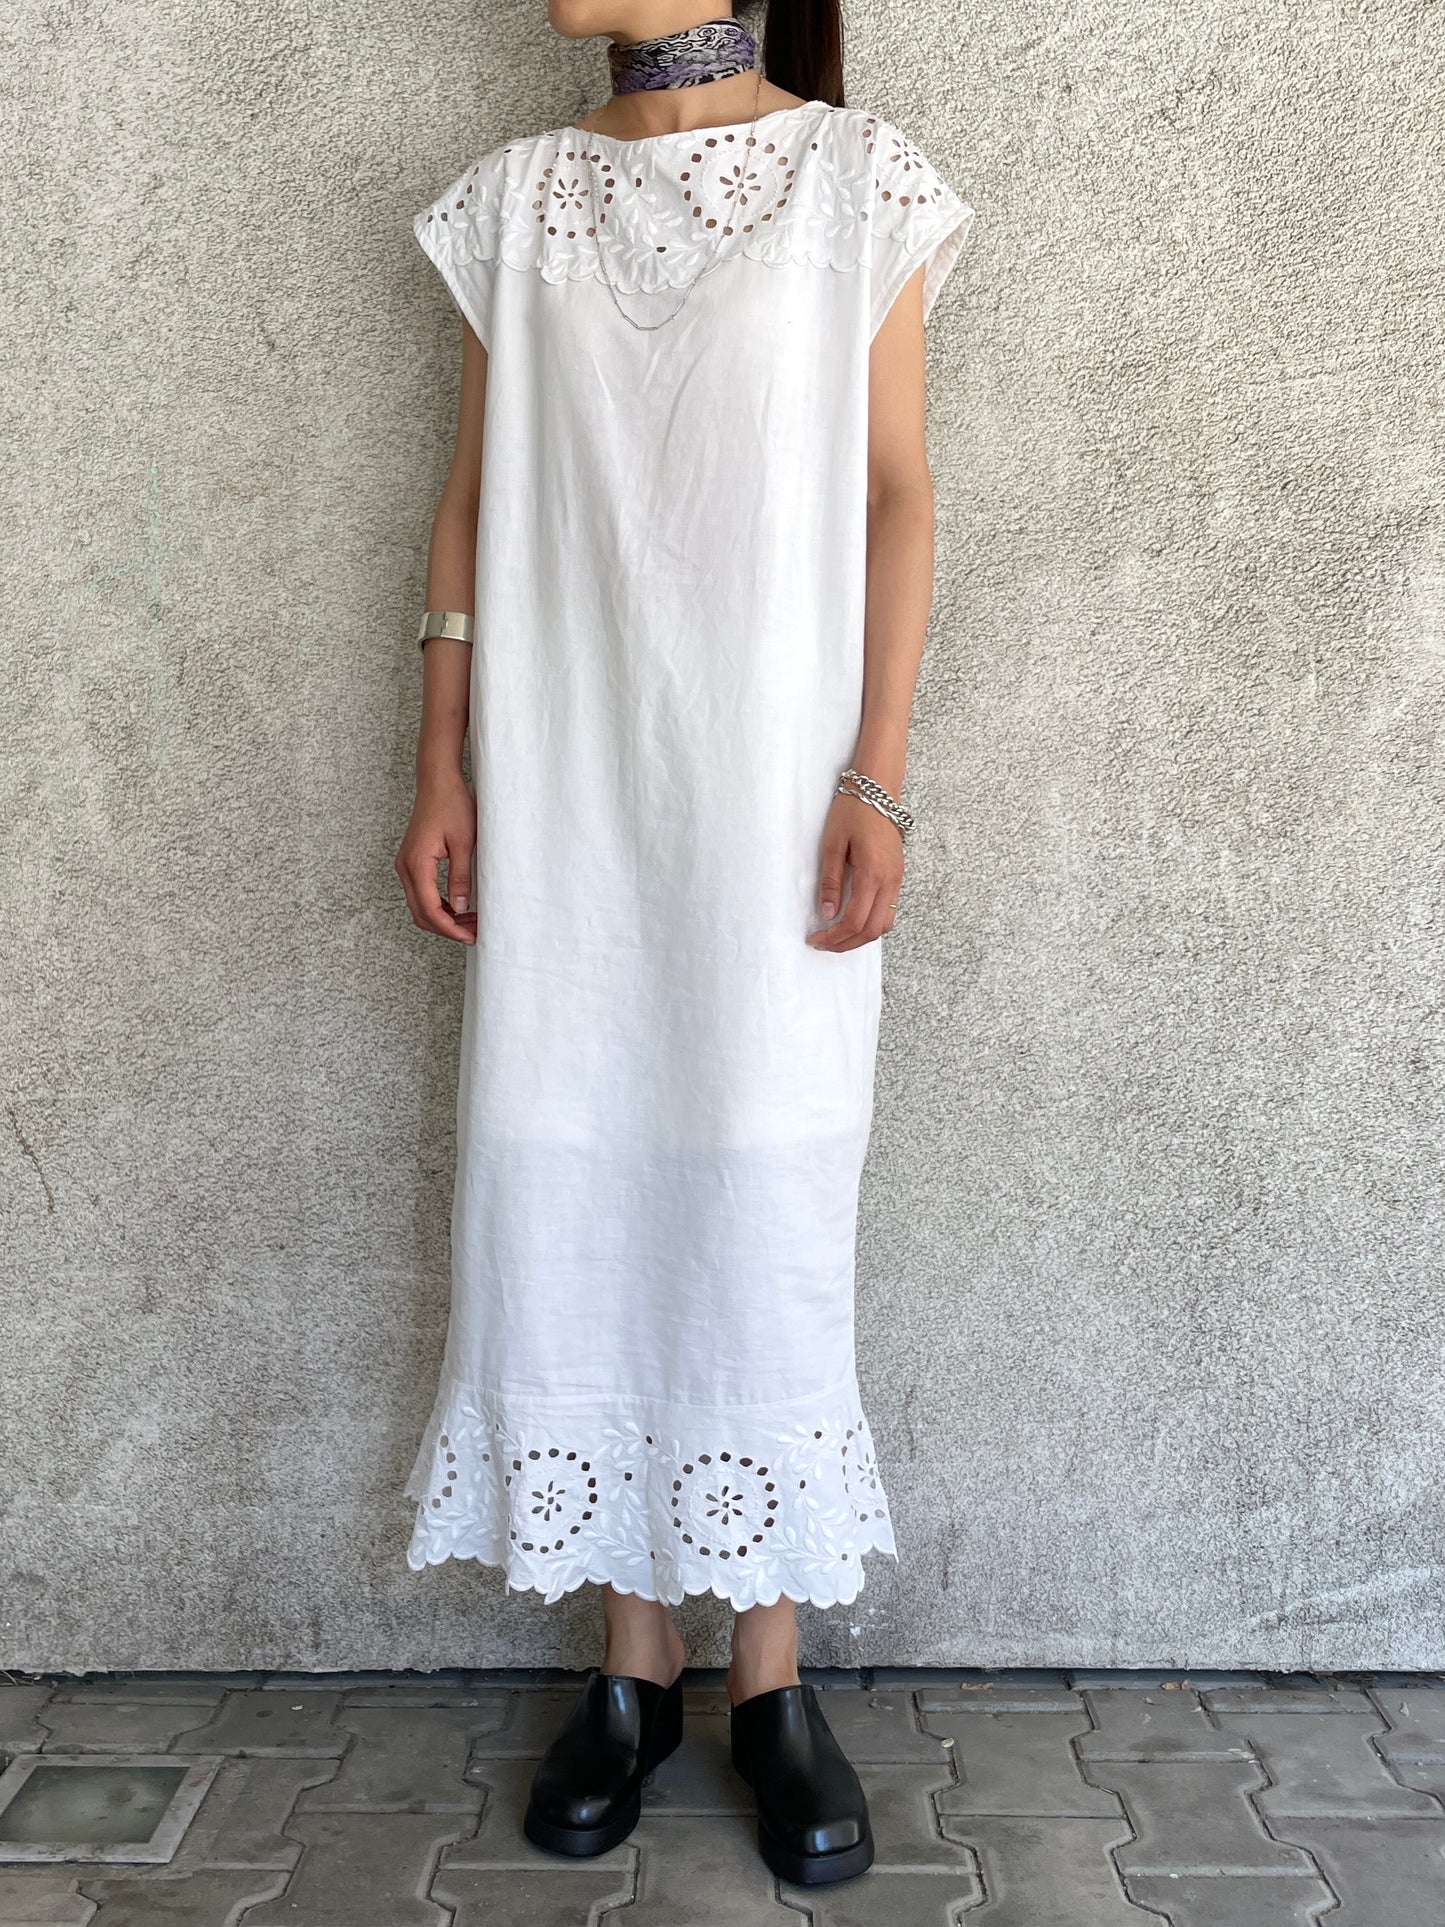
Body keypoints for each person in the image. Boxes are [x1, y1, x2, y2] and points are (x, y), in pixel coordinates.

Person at [395, 0, 973, 1888]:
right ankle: (630, 1670)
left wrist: (877, 776)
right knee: (563, 1163)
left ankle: (770, 1678)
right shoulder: (516, 200)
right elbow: (472, 504)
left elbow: (894, 493)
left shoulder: (853, 178)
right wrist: (440, 762)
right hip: (567, 799)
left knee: (758, 1179)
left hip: (768, 811)